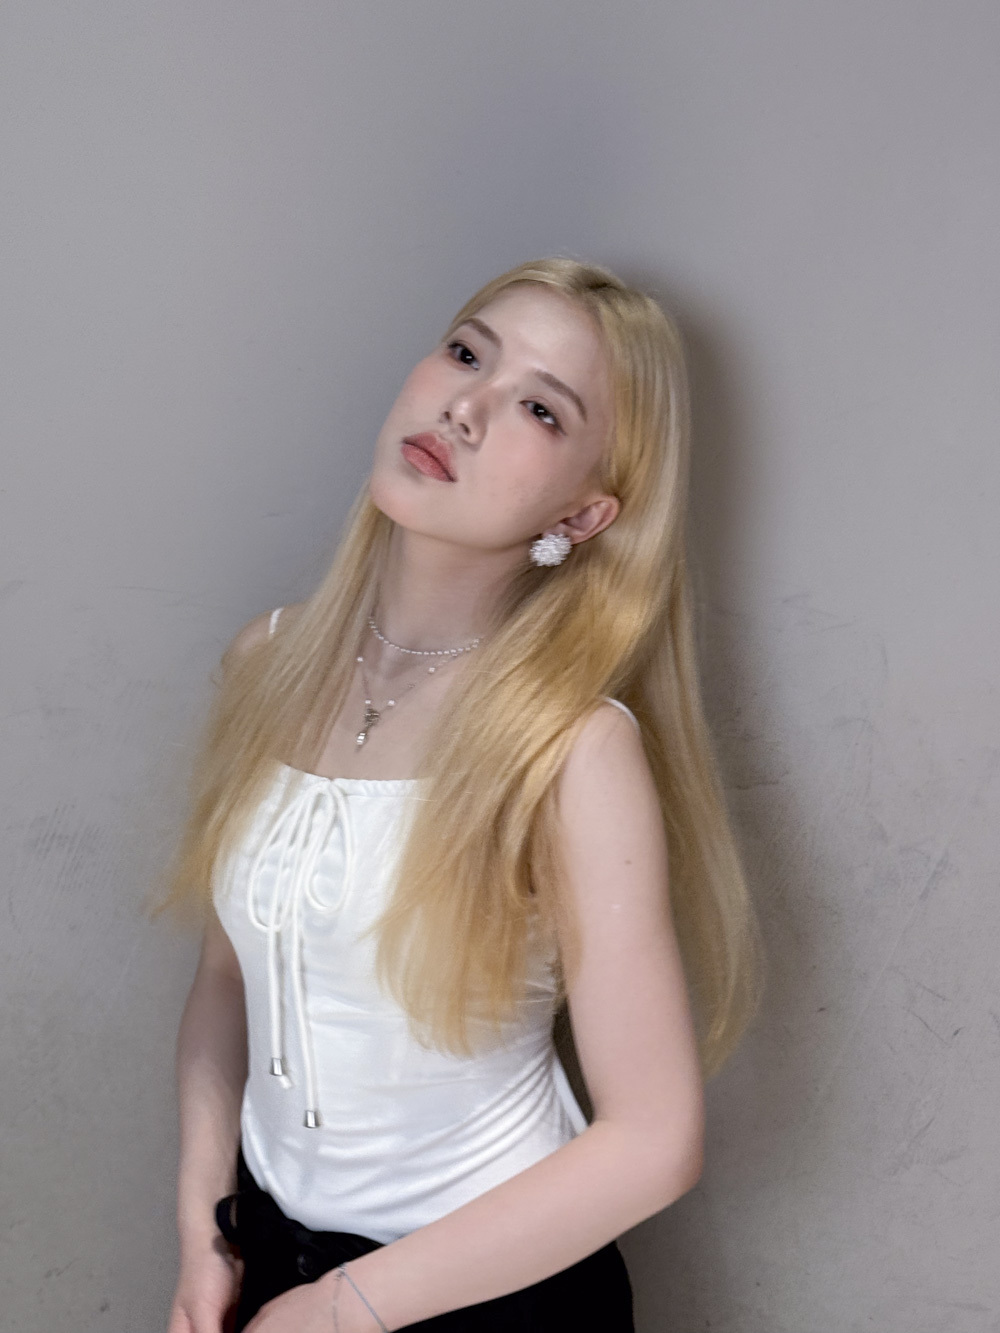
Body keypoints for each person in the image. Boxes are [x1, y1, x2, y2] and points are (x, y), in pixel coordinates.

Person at [155, 256, 764, 1333]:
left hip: (487, 1296)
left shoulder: (570, 749)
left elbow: (655, 1138)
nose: (467, 408)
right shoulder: (264, 662)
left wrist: (337, 1312)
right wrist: (207, 1234)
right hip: (271, 1263)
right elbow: (223, 982)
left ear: (585, 513)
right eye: (467, 352)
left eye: (540, 407)